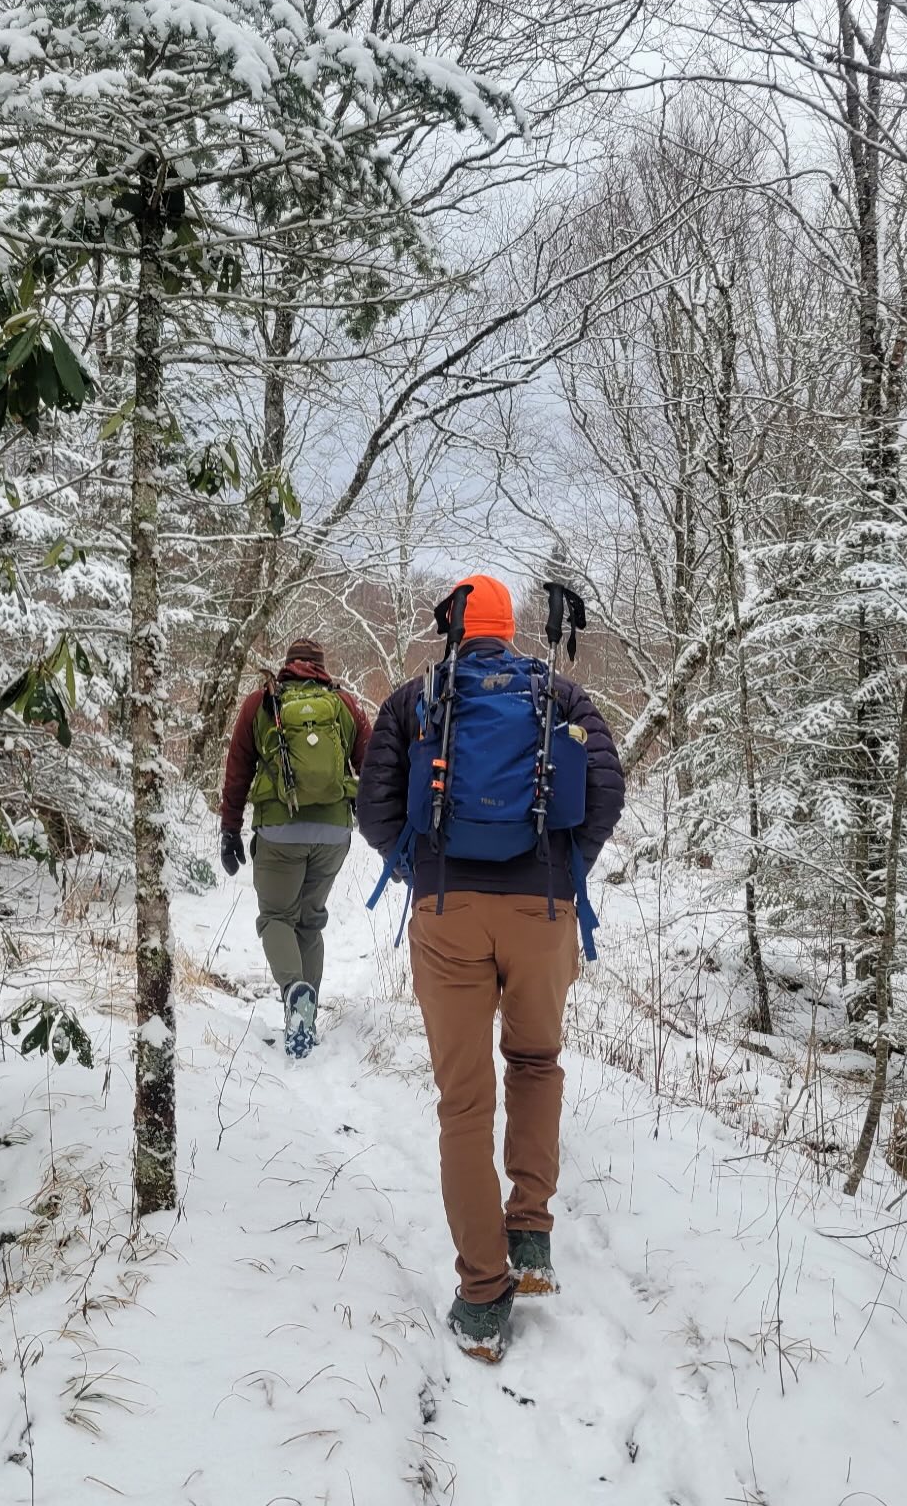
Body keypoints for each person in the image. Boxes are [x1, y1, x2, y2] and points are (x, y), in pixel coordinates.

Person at [356, 575, 624, 1362]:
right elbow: (606, 790)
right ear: (509, 630)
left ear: (453, 627)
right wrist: (565, 867)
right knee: (536, 1061)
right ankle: (531, 1234)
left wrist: (419, 872)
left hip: (447, 915)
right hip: (543, 911)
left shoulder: (415, 700)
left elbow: (375, 808)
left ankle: (481, 1299)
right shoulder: (562, 698)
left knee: (462, 1104)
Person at [220, 637, 372, 1058]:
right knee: (309, 920)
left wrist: (229, 829)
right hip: (332, 833)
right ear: (321, 667)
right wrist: (378, 828)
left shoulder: (261, 703)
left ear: (287, 666)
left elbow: (237, 772)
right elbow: (372, 766)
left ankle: (294, 992)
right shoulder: (344, 704)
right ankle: (306, 1016)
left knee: (275, 918)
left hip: (279, 831)